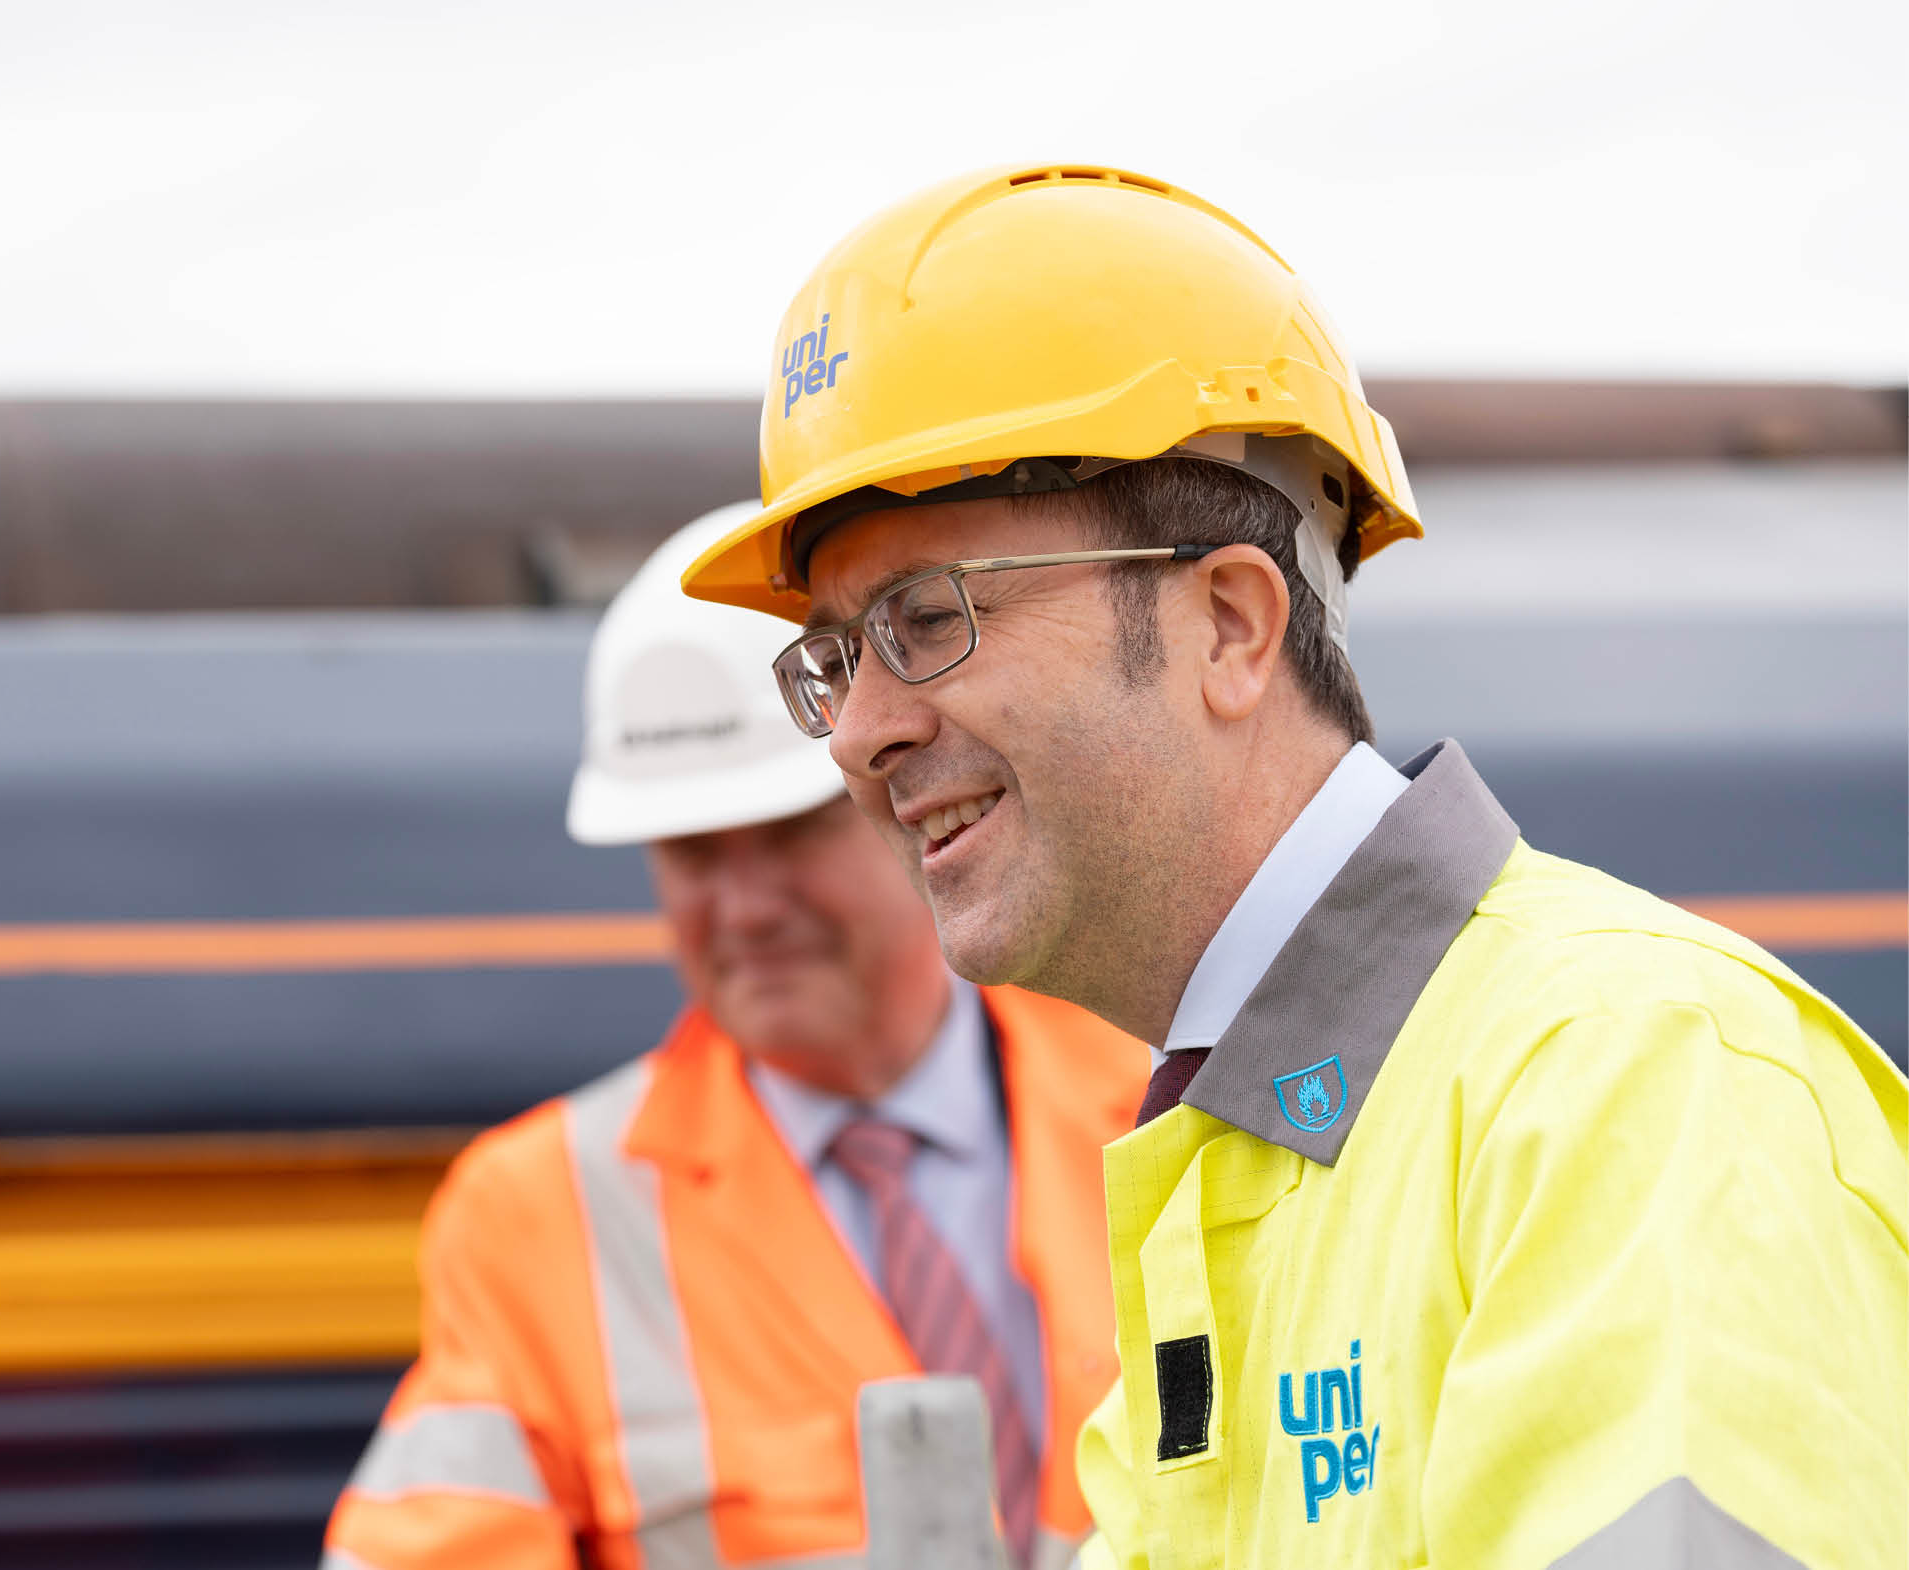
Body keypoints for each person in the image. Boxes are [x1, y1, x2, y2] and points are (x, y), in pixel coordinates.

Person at [681, 165, 1908, 1569]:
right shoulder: (1239, 1163)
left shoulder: (1631, 1083)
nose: (858, 732)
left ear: (1228, 624)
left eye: (927, 618)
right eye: (833, 661)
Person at [322, 503, 1148, 1570]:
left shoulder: (1167, 1110)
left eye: (789, 833)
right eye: (694, 854)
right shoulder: (539, 1217)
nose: (747, 906)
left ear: (909, 788)